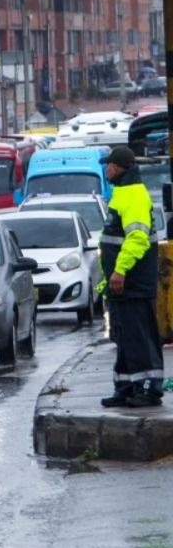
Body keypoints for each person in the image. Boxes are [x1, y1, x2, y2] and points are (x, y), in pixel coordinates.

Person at [98, 147, 164, 407]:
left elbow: (137, 239)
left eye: (109, 165)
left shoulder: (133, 195)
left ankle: (148, 388)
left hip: (133, 282)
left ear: (118, 167)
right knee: (125, 336)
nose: (106, 169)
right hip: (124, 285)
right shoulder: (122, 194)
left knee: (139, 336)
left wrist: (120, 270)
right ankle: (126, 386)